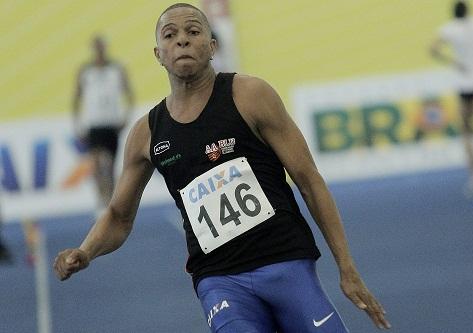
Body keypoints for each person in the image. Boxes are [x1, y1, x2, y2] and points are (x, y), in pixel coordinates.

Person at [54, 3, 391, 332]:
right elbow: (118, 216)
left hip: (285, 264)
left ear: (212, 46)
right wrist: (86, 251)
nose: (182, 40)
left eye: (193, 31)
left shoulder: (250, 96)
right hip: (219, 281)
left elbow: (309, 181)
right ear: (158, 54)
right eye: (170, 35)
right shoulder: (147, 133)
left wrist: (347, 268)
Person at [430, 1, 473, 196]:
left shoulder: (450, 29)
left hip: (464, 84)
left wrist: (454, 62)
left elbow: (433, 49)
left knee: (467, 133)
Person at [72, 35, 135, 210]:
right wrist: (77, 124)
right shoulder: (85, 71)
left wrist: (126, 118)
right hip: (94, 125)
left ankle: (111, 201)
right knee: (97, 165)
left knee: (109, 166)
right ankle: (102, 201)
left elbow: (129, 94)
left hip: (111, 124)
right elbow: (76, 99)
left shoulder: (116, 69)